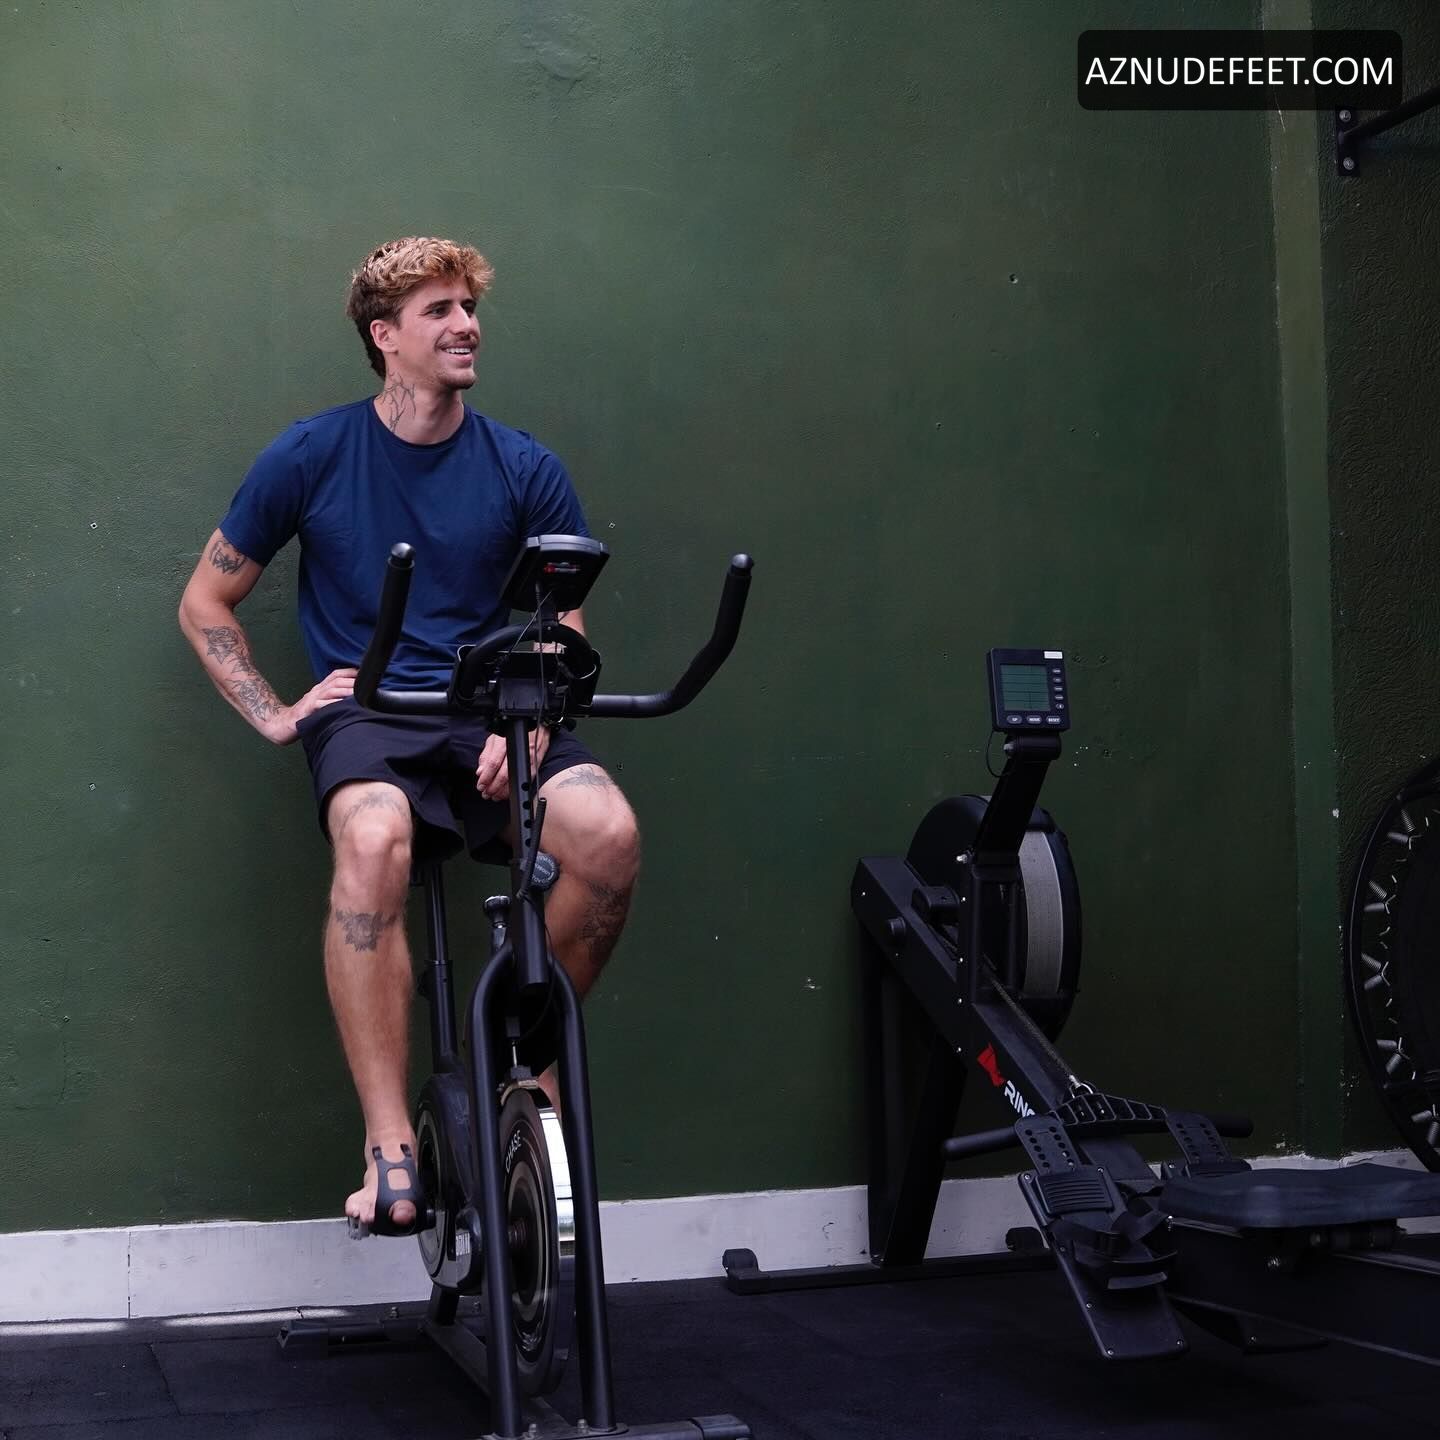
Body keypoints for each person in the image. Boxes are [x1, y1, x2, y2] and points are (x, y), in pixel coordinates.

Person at [178, 236, 640, 1235]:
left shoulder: (524, 467)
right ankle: (390, 1143)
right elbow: (206, 599)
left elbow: (562, 625)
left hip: (493, 709)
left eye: (469, 308)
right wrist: (275, 713)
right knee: (374, 839)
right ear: (385, 335)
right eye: (440, 310)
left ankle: (528, 1074)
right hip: (369, 711)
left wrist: (534, 715)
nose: (467, 325)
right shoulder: (312, 454)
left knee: (607, 835)